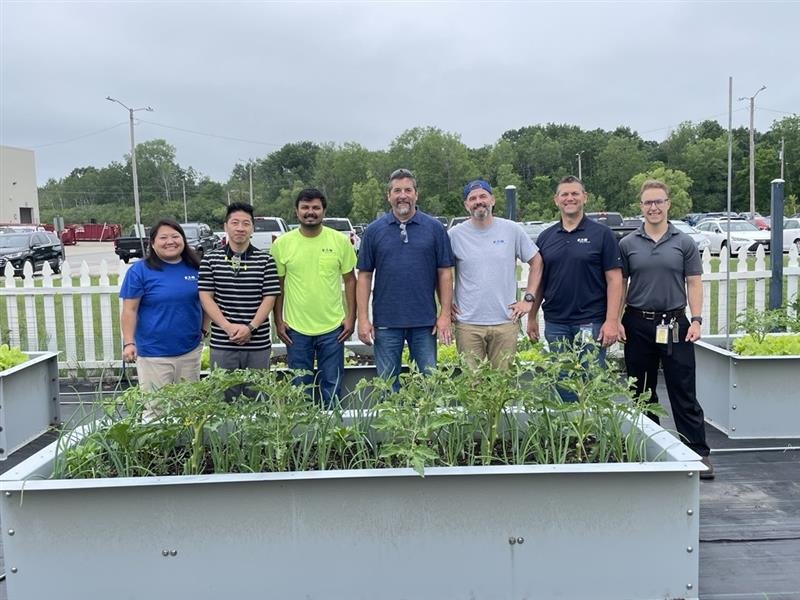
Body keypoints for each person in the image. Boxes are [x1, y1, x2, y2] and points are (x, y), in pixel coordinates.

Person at [619, 179, 713, 479]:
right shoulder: (628, 244)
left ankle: (698, 452)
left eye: (659, 201)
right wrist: (616, 320)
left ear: (668, 204)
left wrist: (696, 319)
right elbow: (620, 285)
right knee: (641, 391)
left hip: (675, 324)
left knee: (682, 389)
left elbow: (694, 283)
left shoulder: (683, 242)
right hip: (637, 324)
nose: (654, 207)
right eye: (648, 202)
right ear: (641, 206)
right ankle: (650, 450)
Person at [357, 168, 454, 391]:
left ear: (416, 194)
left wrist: (444, 315)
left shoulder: (434, 229)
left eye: (408, 190)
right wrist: (363, 319)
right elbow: (363, 276)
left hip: (425, 323)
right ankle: (392, 427)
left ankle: (429, 426)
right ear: (388, 196)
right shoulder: (373, 232)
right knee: (388, 388)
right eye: (397, 190)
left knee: (430, 385)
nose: (403, 195)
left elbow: (445, 274)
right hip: (387, 323)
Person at [271, 188, 357, 406]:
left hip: (333, 328)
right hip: (296, 330)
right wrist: (278, 321)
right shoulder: (282, 244)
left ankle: (332, 435)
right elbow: (277, 286)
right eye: (305, 207)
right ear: (296, 211)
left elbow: (350, 281)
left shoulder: (339, 241)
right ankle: (305, 437)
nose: (311, 212)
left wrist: (351, 318)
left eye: (316, 208)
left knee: (332, 385)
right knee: (300, 388)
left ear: (323, 211)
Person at [448, 179, 543, 369]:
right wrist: (445, 305)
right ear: (466, 205)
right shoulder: (454, 235)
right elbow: (441, 272)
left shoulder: (512, 230)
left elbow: (537, 261)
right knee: (472, 388)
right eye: (472, 198)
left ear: (492, 199)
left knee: (502, 389)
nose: (478, 201)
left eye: (483, 196)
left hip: (505, 323)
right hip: (468, 325)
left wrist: (528, 299)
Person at [120, 219, 207, 393]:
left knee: (189, 409)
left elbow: (207, 302)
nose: (170, 242)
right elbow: (129, 310)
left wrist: (204, 331)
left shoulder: (196, 268)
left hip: (189, 352)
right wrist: (129, 343)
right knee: (156, 410)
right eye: (163, 237)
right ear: (152, 243)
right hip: (153, 354)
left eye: (175, 236)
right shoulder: (140, 271)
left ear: (183, 240)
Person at [199, 202, 280, 385]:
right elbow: (206, 297)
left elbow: (269, 298)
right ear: (225, 226)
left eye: (246, 223)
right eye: (235, 223)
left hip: (257, 343)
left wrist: (250, 328)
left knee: (258, 397)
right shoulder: (211, 260)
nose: (240, 228)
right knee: (224, 398)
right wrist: (227, 327)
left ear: (252, 228)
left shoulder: (265, 261)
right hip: (222, 342)